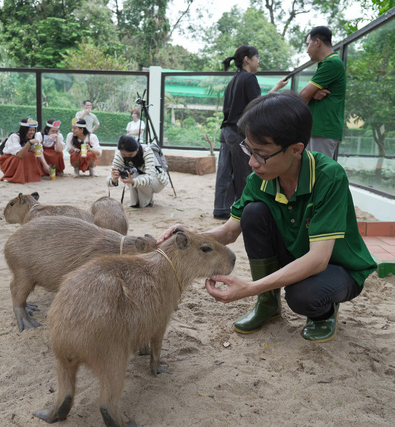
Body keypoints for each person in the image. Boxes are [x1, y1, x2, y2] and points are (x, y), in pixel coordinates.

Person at [159, 92, 376, 343]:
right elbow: (229, 232)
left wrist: (249, 288)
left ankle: (323, 314)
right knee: (253, 212)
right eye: (249, 150)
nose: (252, 162)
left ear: (295, 149)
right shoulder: (259, 180)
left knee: (303, 296)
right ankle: (268, 304)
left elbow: (318, 259)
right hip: (296, 255)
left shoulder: (329, 177)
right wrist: (188, 236)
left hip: (336, 267)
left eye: (261, 153)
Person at [273, 26, 346, 160]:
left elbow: (303, 95)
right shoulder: (327, 64)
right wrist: (313, 94)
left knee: (318, 173)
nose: (307, 50)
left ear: (317, 42)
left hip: (323, 129)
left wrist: (309, 95)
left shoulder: (332, 63)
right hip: (318, 129)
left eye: (308, 45)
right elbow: (306, 94)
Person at [213, 45, 261, 221]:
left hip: (226, 131)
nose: (258, 61)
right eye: (256, 57)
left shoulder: (234, 80)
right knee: (244, 173)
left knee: (224, 172)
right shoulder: (249, 78)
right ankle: (245, 211)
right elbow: (257, 107)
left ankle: (221, 209)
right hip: (239, 131)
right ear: (247, 59)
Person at [107, 135, 169, 208]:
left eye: (130, 154)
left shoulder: (146, 150)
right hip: (139, 178)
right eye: (123, 154)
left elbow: (150, 176)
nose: (127, 157)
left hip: (157, 180)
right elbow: (109, 180)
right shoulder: (120, 156)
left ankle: (146, 202)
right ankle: (135, 202)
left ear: (137, 148)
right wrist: (114, 179)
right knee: (130, 174)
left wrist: (132, 181)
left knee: (137, 177)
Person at [0, 118, 50, 183]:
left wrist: (45, 165)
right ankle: (16, 176)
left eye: (33, 130)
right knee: (25, 156)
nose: (32, 132)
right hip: (10, 159)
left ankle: (29, 176)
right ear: (23, 130)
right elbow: (20, 155)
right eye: (30, 130)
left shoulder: (36, 136)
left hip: (24, 158)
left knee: (32, 154)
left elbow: (38, 151)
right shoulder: (14, 137)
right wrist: (29, 143)